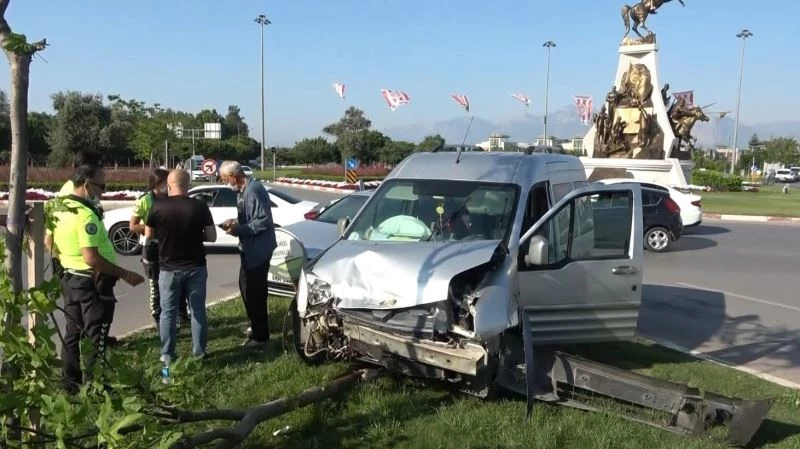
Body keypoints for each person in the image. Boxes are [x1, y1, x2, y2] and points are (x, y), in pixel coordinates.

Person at [50, 163, 145, 394]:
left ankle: (70, 383)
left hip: (70, 279)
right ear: (86, 184)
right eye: (101, 186)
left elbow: (48, 243)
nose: (102, 191)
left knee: (72, 333)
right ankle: (95, 385)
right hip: (92, 282)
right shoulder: (84, 216)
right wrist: (125, 273)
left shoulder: (60, 209)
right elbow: (91, 258)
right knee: (96, 335)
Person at [145, 169, 216, 363]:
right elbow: (212, 236)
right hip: (196, 267)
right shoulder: (199, 206)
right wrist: (195, 235)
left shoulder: (157, 206)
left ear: (168, 186)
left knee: (167, 313)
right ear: (189, 185)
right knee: (198, 311)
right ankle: (199, 354)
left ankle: (167, 355)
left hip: (168, 268)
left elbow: (149, 235)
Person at [218, 161, 277, 348]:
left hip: (258, 251)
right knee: (246, 288)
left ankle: (260, 336)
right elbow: (252, 216)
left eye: (225, 179)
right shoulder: (245, 190)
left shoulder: (252, 190)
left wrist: (239, 230)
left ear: (234, 177)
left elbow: (262, 221)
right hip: (250, 250)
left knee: (255, 293)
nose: (225, 183)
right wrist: (235, 221)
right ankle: (256, 326)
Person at [130, 168, 190, 326]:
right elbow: (133, 226)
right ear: (156, 183)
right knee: (155, 284)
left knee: (179, 280)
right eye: (165, 182)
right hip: (152, 247)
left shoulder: (173, 197)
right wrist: (154, 228)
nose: (168, 185)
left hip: (172, 245)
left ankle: (182, 315)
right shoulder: (145, 200)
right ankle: (158, 317)